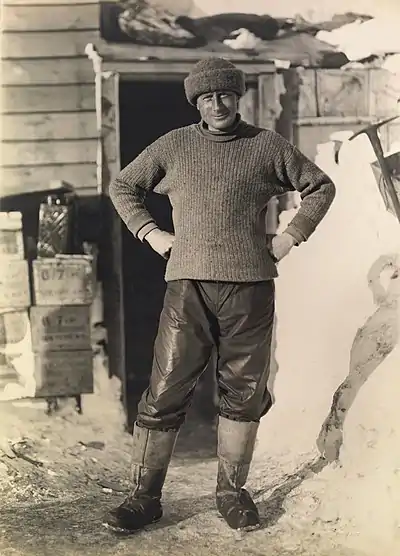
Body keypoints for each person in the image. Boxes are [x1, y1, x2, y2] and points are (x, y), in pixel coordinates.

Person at [106, 57, 336, 533]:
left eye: (225, 94)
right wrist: (151, 233)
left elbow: (320, 186)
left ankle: (232, 492)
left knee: (244, 395)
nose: (217, 103)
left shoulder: (266, 146)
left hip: (250, 288)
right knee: (166, 389)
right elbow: (123, 185)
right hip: (187, 285)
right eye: (207, 97)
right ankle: (144, 497)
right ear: (197, 102)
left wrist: (289, 237)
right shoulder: (175, 145)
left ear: (238, 96)